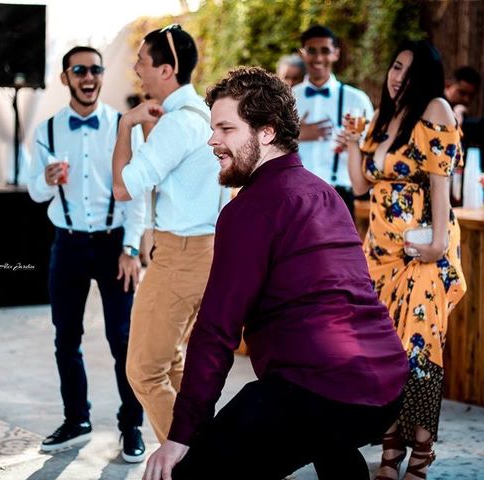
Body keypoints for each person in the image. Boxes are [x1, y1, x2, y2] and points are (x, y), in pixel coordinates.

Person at [143, 66, 408, 480]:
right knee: (325, 435)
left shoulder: (249, 210)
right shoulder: (326, 194)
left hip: (322, 388)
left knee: (196, 473)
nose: (212, 140)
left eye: (226, 129)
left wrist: (181, 435)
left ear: (266, 133)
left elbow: (216, 330)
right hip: (386, 384)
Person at [341, 40, 467, 479]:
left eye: (409, 72)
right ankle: (391, 450)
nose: (398, 77)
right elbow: (361, 187)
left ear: (426, 80)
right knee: (388, 357)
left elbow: (440, 187)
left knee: (419, 354)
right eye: (396, 67)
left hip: (421, 255)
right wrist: (355, 143)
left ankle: (421, 454)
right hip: (379, 256)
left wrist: (433, 249)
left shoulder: (435, 109)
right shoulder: (384, 116)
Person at [27, 45, 147, 462]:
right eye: (79, 69)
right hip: (69, 243)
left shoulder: (122, 125)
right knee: (66, 338)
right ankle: (76, 419)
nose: (89, 76)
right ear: (65, 78)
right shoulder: (46, 131)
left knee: (122, 339)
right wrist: (45, 179)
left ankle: (131, 424)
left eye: (95, 69)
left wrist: (132, 247)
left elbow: (136, 193)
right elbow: (36, 192)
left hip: (115, 244)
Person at [112, 24, 227, 444]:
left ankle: (188, 463)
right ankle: (209, 450)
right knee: (176, 363)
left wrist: (126, 125)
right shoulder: (203, 113)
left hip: (180, 257)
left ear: (165, 69)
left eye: (141, 61)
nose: (136, 69)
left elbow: (124, 187)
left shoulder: (178, 123)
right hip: (205, 253)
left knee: (143, 370)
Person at [292, 25, 374, 217]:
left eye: (325, 51)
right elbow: (267, 143)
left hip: (340, 194)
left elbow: (372, 147)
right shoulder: (288, 98)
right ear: (302, 54)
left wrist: (355, 145)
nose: (318, 58)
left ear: (336, 54)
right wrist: (296, 133)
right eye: (312, 51)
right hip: (295, 194)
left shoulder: (356, 100)